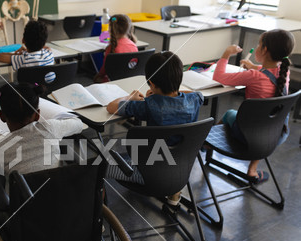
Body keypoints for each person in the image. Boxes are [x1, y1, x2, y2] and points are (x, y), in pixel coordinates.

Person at [106, 51, 204, 206]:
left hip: (147, 176)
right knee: (171, 153)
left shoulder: (149, 105)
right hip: (180, 171)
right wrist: (170, 93)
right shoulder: (195, 100)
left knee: (99, 163)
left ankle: (100, 218)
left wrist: (130, 97)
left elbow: (111, 107)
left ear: (151, 83)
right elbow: (195, 94)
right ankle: (174, 198)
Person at [212, 29, 295, 184]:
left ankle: (206, 144)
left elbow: (218, 77)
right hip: (276, 134)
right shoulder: (285, 71)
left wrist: (226, 54)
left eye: (259, 44)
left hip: (248, 137)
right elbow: (267, 72)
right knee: (264, 122)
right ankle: (252, 170)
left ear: (264, 50)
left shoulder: (254, 76)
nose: (257, 47)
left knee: (230, 113)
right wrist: (253, 66)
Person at [0, 83, 83, 177]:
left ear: (2, 116)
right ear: (38, 115)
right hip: (58, 188)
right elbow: (79, 124)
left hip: (22, 191)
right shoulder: (51, 128)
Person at [93, 14, 138, 83]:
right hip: (128, 80)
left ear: (111, 28)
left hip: (112, 81)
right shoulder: (134, 46)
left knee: (96, 79)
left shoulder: (112, 47)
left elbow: (104, 70)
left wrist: (97, 76)